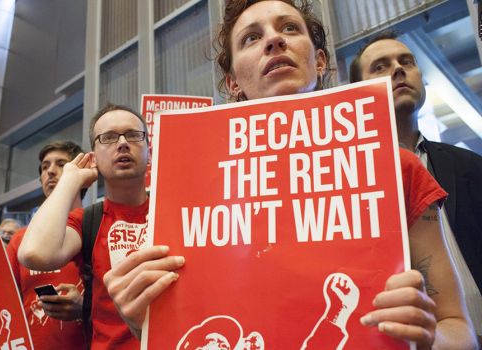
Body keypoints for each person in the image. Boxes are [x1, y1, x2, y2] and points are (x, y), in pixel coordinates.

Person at [101, 1, 477, 349]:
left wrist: (428, 338)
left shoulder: (397, 167)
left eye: (289, 29)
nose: (274, 40)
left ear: (319, 61)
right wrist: (144, 322)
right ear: (233, 82)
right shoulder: (189, 188)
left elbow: (459, 329)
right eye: (252, 37)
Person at [349, 30, 482, 342]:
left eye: (406, 61)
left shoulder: (472, 167)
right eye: (380, 66)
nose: (398, 69)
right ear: (358, 90)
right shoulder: (348, 180)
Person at [18, 105, 153, 349]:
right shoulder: (86, 221)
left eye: (133, 135)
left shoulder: (174, 210)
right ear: (94, 157)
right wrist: (70, 178)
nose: (123, 143)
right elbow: (33, 253)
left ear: (149, 151)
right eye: (109, 138)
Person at [0, 141, 87, 350]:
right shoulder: (22, 239)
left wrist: (85, 307)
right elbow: (0, 301)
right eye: (45, 167)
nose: (51, 171)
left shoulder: (97, 227)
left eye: (61, 164)